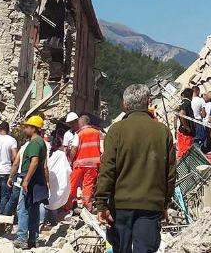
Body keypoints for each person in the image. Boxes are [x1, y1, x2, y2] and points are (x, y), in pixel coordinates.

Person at [96, 83, 175, 253]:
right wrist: (165, 203)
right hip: (151, 204)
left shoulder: (116, 130)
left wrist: (101, 203)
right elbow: (170, 173)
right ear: (148, 101)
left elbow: (107, 169)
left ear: (125, 104)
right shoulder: (163, 131)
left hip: (121, 204)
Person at [14, 115, 49, 249]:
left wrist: (26, 180)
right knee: (33, 210)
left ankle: (22, 238)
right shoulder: (41, 142)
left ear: (34, 128)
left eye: (27, 126)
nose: (25, 129)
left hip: (31, 179)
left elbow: (34, 162)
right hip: (37, 180)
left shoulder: (34, 143)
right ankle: (33, 239)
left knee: (23, 209)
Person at [67, 114, 103, 211]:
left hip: (79, 163)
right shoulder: (98, 133)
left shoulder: (79, 134)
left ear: (82, 123)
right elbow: (102, 149)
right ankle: (88, 206)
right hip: (93, 164)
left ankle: (68, 206)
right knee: (88, 185)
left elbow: (74, 149)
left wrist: (70, 160)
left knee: (72, 184)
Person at [0, 121, 18, 215]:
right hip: (6, 170)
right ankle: (2, 214)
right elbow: (15, 156)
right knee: (4, 194)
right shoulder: (12, 140)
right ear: (8, 130)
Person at [176, 88, 195, 159]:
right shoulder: (187, 103)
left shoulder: (181, 103)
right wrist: (187, 127)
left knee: (181, 150)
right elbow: (182, 114)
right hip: (186, 133)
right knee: (186, 151)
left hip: (181, 130)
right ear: (191, 95)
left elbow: (177, 115)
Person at [191, 86, 207, 151]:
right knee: (201, 139)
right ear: (198, 91)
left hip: (191, 122)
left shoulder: (190, 100)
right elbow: (203, 115)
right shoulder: (201, 100)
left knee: (194, 140)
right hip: (198, 121)